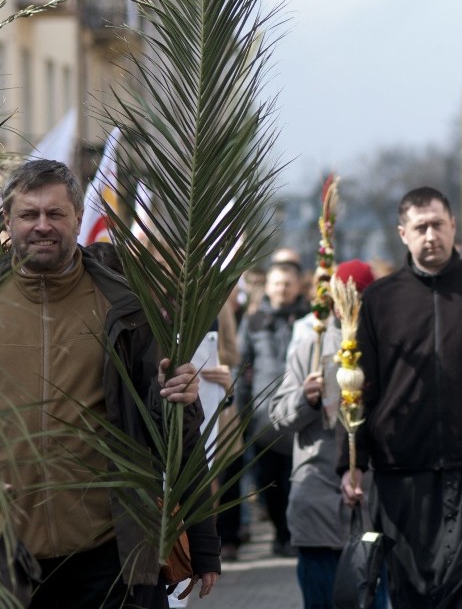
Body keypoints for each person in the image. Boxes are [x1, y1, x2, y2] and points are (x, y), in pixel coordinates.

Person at [0, 159, 220, 607]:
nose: (43, 226)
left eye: (55, 214)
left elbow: (172, 422)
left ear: (79, 217)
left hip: (109, 558)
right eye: (29, 214)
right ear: (7, 220)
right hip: (8, 559)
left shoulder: (126, 308)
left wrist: (204, 541)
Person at [338, 186, 462, 608]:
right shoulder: (380, 300)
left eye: (438, 224)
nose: (430, 236)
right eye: (420, 227)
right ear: (402, 233)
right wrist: (349, 463)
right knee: (414, 591)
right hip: (402, 467)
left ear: (453, 225)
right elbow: (360, 387)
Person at [270, 259, 387, 609]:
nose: (348, 307)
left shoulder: (387, 344)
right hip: (317, 499)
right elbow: (277, 416)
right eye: (341, 298)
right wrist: (305, 399)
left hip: (370, 502)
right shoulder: (312, 342)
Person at [234, 259, 309, 558]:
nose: (282, 289)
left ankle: (293, 535)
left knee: (298, 481)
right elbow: (242, 367)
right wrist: (240, 413)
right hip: (263, 416)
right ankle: (280, 533)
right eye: (277, 283)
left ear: (298, 286)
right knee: (270, 482)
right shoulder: (253, 321)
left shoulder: (308, 318)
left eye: (288, 283)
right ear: (268, 287)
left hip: (301, 412)